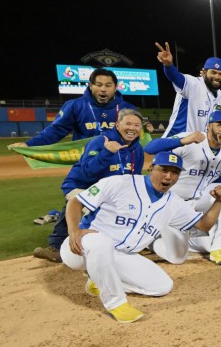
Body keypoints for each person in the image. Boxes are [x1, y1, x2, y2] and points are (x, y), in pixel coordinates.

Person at [59, 151, 221, 323]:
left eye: (174, 172)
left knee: (162, 286)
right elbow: (76, 201)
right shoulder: (120, 183)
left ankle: (98, 278)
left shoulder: (174, 203)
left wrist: (219, 202)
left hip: (122, 256)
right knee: (101, 242)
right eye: (164, 170)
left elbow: (204, 225)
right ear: (151, 168)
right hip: (82, 249)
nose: (168, 176)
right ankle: (116, 304)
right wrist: (74, 232)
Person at [32, 108, 147, 263]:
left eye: (136, 125)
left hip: (108, 192)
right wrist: (106, 154)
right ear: (117, 125)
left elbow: (134, 178)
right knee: (83, 202)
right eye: (128, 124)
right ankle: (56, 247)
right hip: (81, 185)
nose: (132, 128)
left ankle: (126, 243)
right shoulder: (100, 142)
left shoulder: (137, 150)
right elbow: (87, 173)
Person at [144, 110, 221, 265]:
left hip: (198, 200)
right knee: (177, 257)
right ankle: (150, 241)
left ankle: (219, 248)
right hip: (171, 205)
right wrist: (182, 141)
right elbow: (151, 148)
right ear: (208, 126)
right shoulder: (192, 139)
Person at [9, 68, 136, 149]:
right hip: (86, 162)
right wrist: (28, 144)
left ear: (115, 87)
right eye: (99, 85)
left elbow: (138, 136)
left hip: (120, 161)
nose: (103, 89)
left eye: (108, 85)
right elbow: (56, 130)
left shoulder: (128, 109)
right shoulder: (75, 105)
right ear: (90, 86)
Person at [155, 42, 221, 136]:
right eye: (213, 72)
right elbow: (176, 78)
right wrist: (169, 66)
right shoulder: (194, 84)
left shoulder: (218, 93)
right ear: (204, 72)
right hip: (176, 140)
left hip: (198, 144)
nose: (217, 77)